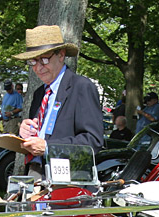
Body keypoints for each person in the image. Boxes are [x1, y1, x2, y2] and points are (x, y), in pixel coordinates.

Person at [16, 24, 104, 176]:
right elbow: (42, 136)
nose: (38, 68)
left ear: (61, 55)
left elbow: (93, 142)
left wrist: (48, 147)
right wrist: (26, 132)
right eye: (33, 61)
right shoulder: (39, 94)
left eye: (43, 59)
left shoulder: (82, 87)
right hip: (37, 173)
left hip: (68, 181)